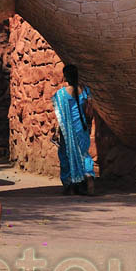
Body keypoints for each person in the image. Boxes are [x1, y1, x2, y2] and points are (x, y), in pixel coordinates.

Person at [52, 64, 95, 195]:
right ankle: (88, 175)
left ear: (65, 76)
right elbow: (90, 110)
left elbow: (60, 117)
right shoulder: (86, 90)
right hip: (82, 128)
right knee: (84, 154)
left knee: (66, 155)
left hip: (67, 131)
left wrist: (56, 131)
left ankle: (69, 185)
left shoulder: (60, 94)